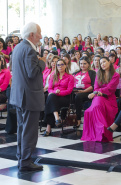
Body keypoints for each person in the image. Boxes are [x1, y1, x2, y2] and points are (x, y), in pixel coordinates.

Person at [10, 22, 45, 171]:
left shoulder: (18, 48)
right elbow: (32, 73)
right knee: (29, 132)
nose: (41, 36)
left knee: (22, 129)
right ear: (32, 35)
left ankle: (21, 158)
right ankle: (25, 162)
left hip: (19, 96)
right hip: (29, 97)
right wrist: (43, 63)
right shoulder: (30, 50)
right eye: (39, 34)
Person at [81, 57, 120, 142]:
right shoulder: (98, 74)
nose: (102, 64)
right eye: (101, 63)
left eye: (104, 62)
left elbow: (110, 88)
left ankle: (103, 131)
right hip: (98, 97)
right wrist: (97, 93)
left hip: (109, 99)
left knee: (97, 104)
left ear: (109, 62)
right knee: (94, 106)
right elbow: (96, 87)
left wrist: (96, 93)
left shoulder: (115, 75)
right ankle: (100, 131)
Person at [44, 59, 74, 136]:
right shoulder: (53, 76)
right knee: (51, 98)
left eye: (62, 64)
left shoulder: (70, 77)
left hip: (64, 98)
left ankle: (49, 127)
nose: (60, 66)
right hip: (54, 97)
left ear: (65, 65)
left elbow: (69, 91)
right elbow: (50, 89)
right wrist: (55, 92)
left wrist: (59, 93)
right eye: (58, 65)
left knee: (50, 99)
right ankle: (57, 119)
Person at [73, 56, 96, 128]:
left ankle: (78, 120)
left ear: (88, 64)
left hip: (87, 92)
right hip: (75, 91)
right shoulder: (75, 73)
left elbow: (93, 85)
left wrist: (83, 91)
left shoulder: (92, 73)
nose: (82, 65)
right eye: (81, 63)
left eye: (84, 63)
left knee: (78, 97)